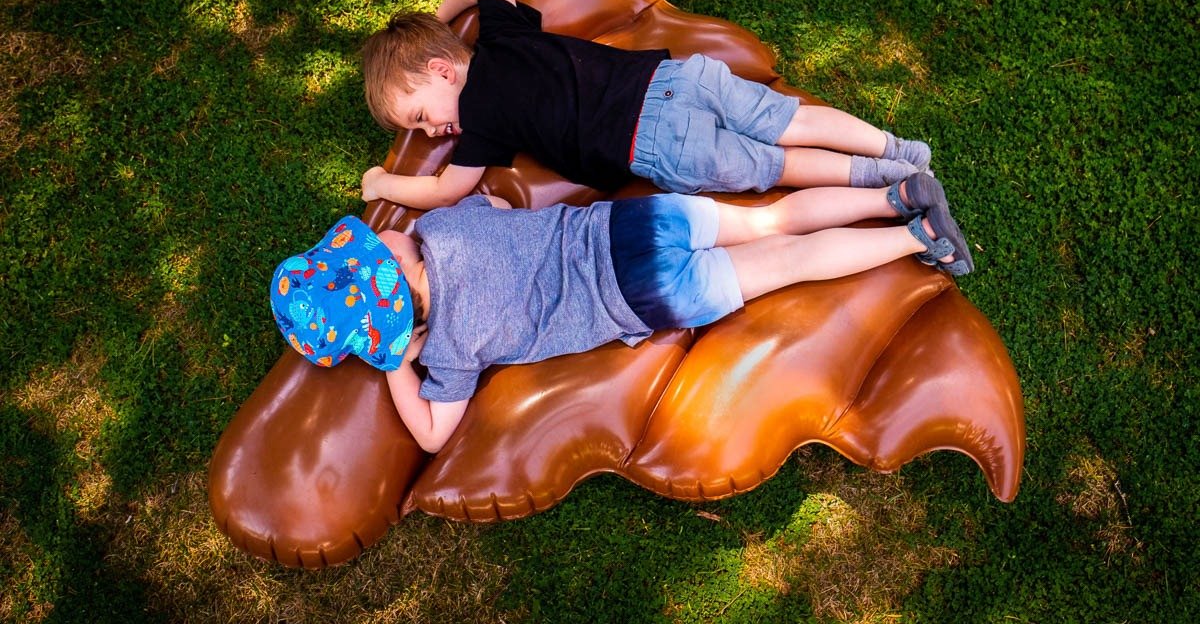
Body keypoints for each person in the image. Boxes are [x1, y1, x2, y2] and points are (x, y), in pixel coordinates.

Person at [270, 174, 973, 454]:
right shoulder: (444, 227)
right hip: (634, 225)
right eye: (375, 242)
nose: (382, 228)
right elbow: (500, 208)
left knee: (788, 264)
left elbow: (428, 436)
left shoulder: (449, 350)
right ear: (393, 264)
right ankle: (898, 194)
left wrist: (394, 362)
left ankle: (918, 240)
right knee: (772, 222)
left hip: (642, 294)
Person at [359, 0, 933, 210]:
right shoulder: (501, 38)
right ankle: (898, 149)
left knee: (775, 165)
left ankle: (887, 180)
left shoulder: (480, 121)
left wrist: (384, 183)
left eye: (419, 115)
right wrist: (440, 16)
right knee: (792, 118)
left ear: (440, 71)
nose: (433, 130)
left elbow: (443, 192)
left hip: (654, 144)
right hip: (675, 78)